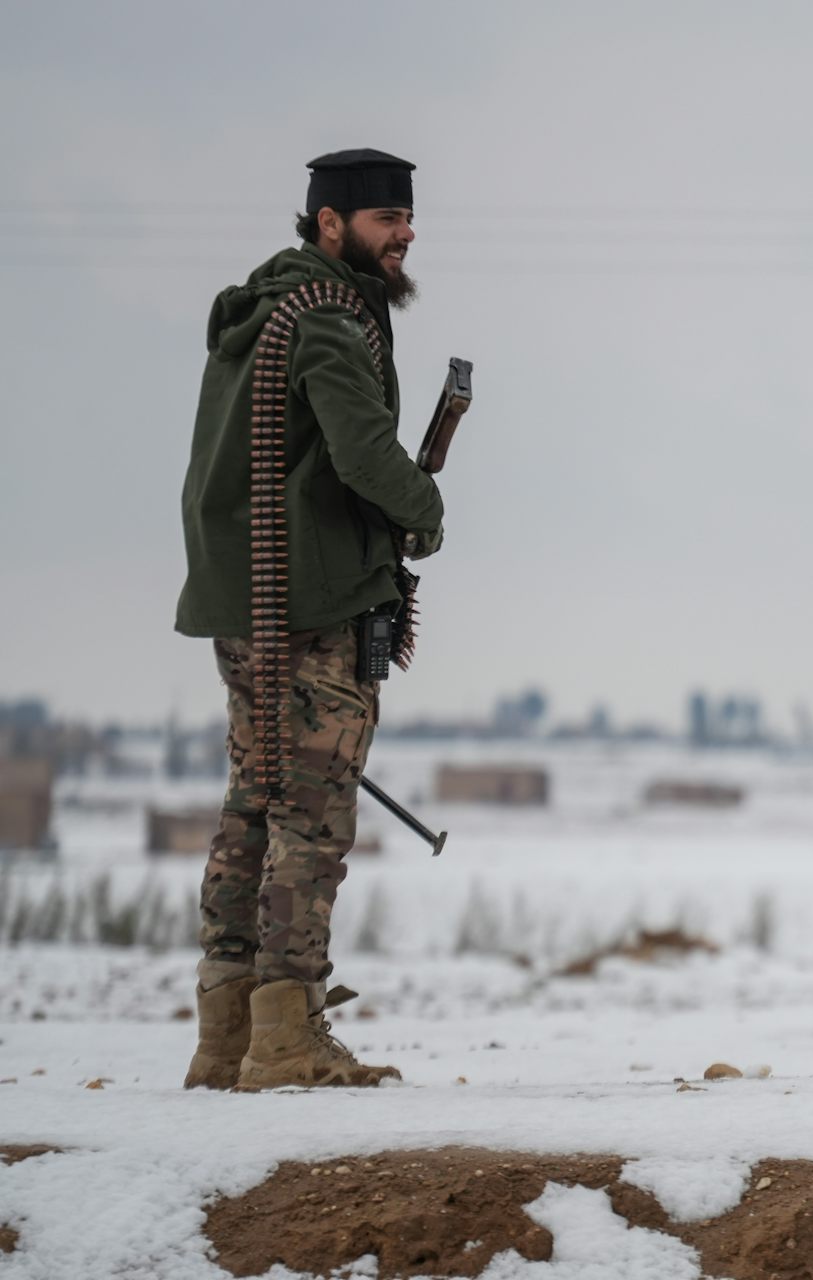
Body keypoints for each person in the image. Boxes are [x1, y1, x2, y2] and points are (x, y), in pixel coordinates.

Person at [175, 149, 444, 1089]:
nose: (403, 234)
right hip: (311, 603)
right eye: (384, 220)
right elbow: (364, 453)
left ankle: (225, 1040)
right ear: (330, 225)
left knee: (253, 803)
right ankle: (286, 1040)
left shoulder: (263, 312)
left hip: (246, 598)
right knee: (312, 819)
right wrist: (424, 510)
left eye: (407, 218)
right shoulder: (330, 318)